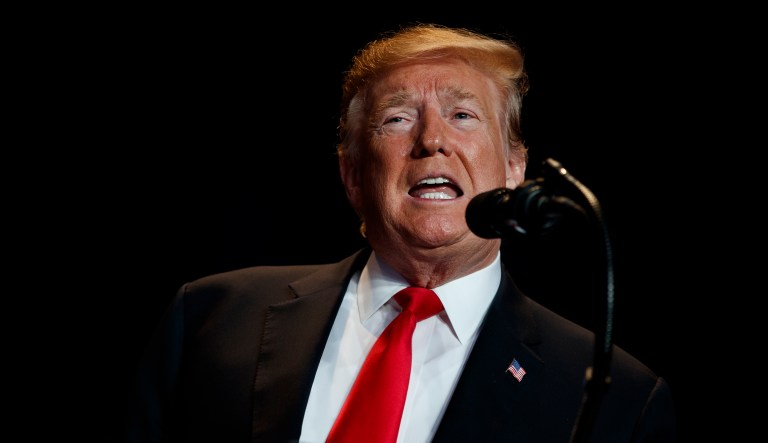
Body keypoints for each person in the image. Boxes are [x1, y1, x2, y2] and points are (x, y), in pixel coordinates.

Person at [122, 23, 677, 442]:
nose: (431, 140)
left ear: (514, 168)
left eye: (464, 116)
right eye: (397, 119)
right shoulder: (210, 320)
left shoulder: (619, 399)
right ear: (353, 175)